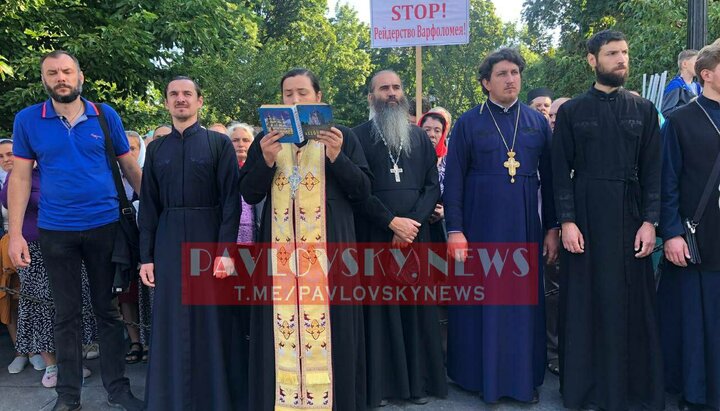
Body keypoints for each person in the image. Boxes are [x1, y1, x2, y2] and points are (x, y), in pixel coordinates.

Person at [8, 50, 143, 411]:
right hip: (55, 232)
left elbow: (129, 166)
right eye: (52, 73)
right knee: (65, 315)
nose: (61, 78)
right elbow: (20, 177)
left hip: (105, 227)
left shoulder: (105, 115)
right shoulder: (27, 120)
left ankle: (119, 390)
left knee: (108, 311)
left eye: (67, 71)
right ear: (44, 80)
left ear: (80, 76)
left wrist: (158, 214)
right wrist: (17, 234)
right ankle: (68, 397)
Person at [240, 68, 371, 411]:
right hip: (280, 259)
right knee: (277, 332)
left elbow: (362, 191)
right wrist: (266, 161)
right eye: (288, 94)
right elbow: (250, 194)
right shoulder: (266, 140)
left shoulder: (340, 136)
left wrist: (337, 157)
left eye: (302, 93)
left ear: (317, 96)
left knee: (335, 332)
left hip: (331, 257)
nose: (295, 100)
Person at [552, 30, 664, 411]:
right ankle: (586, 390)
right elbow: (558, 171)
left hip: (631, 218)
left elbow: (654, 172)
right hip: (584, 218)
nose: (621, 59)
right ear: (592, 60)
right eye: (613, 52)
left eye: (625, 52)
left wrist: (650, 221)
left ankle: (632, 390)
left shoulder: (644, 110)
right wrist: (566, 221)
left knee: (631, 302)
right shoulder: (571, 112)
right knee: (585, 301)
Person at [443, 48, 557, 404]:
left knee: (520, 303)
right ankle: (477, 376)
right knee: (482, 299)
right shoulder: (468, 122)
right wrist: (455, 230)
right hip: (479, 226)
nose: (511, 79)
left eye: (515, 72)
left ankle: (520, 378)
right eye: (503, 74)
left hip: (524, 226)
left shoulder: (536, 122)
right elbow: (454, 183)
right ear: (485, 82)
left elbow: (551, 182)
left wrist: (552, 227)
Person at [138, 76, 241, 411]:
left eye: (187, 94)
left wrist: (225, 252)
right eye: (173, 95)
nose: (180, 99)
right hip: (167, 240)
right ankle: (171, 399)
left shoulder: (218, 144)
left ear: (199, 101)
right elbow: (149, 206)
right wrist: (146, 257)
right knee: (171, 319)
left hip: (209, 240)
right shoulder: (155, 149)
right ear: (166, 102)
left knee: (210, 320)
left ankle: (215, 399)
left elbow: (231, 203)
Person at [353, 70, 447, 407]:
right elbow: (358, 190)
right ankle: (381, 388)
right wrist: (391, 223)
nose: (391, 93)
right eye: (384, 88)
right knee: (380, 313)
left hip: (415, 239)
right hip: (375, 236)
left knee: (415, 311)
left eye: (396, 87)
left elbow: (431, 186)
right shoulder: (357, 137)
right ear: (371, 97)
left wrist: (412, 226)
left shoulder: (419, 137)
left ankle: (417, 385)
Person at [658, 43, 720, 411]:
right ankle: (699, 396)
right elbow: (667, 182)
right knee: (699, 324)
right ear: (706, 73)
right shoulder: (681, 120)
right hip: (699, 238)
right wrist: (672, 233)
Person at [418, 107, 452, 243]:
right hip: (417, 224)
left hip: (443, 227)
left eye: (437, 130)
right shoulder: (410, 157)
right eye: (427, 129)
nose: (432, 134)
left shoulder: (452, 159)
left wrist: (446, 211)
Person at [227, 122, 261, 243]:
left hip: (255, 235)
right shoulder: (222, 172)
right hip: (230, 235)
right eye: (235, 140)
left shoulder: (261, 169)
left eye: (246, 140)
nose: (241, 144)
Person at [662, 49, 702, 116]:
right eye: (696, 63)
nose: (699, 66)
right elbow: (667, 112)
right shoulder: (675, 85)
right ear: (684, 64)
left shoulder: (698, 86)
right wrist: (690, 106)